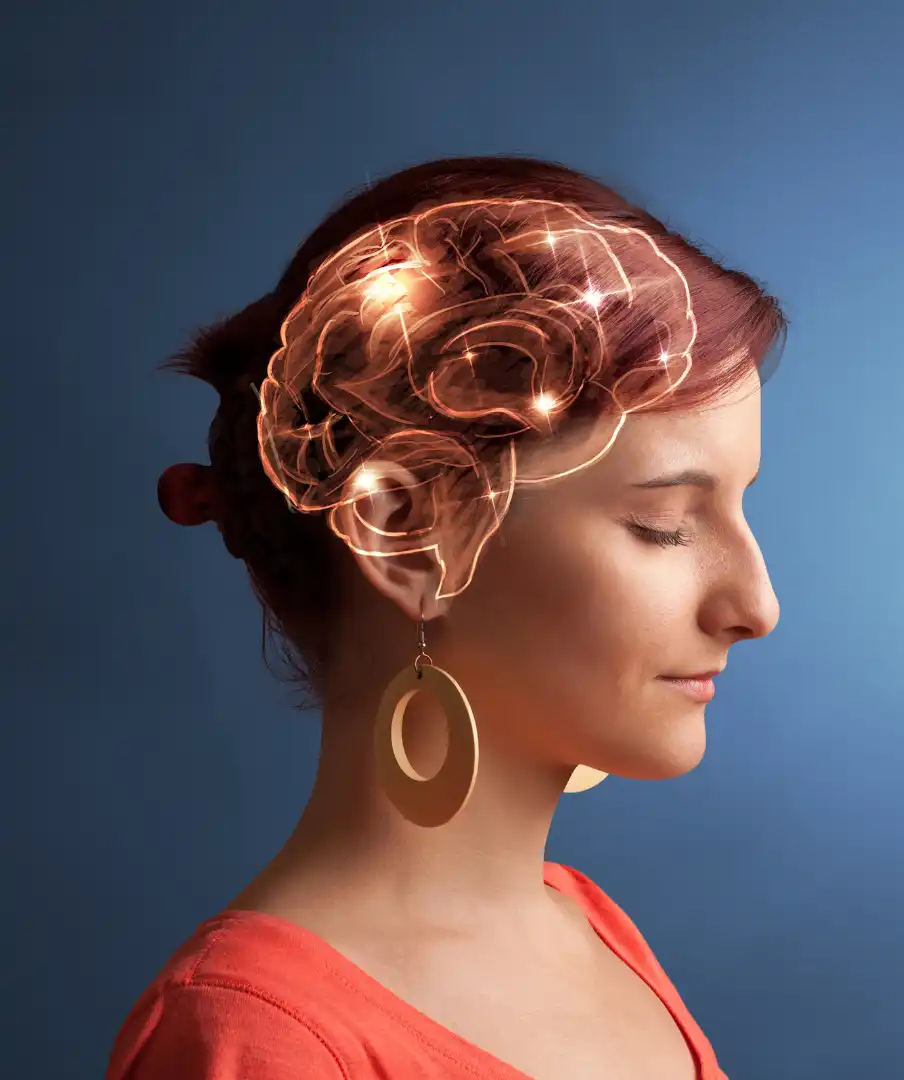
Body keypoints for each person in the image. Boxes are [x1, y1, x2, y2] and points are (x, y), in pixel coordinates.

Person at [106, 156, 784, 1080]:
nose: (758, 607)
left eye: (742, 506)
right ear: (406, 533)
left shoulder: (595, 930)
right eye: (662, 525)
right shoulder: (260, 1044)